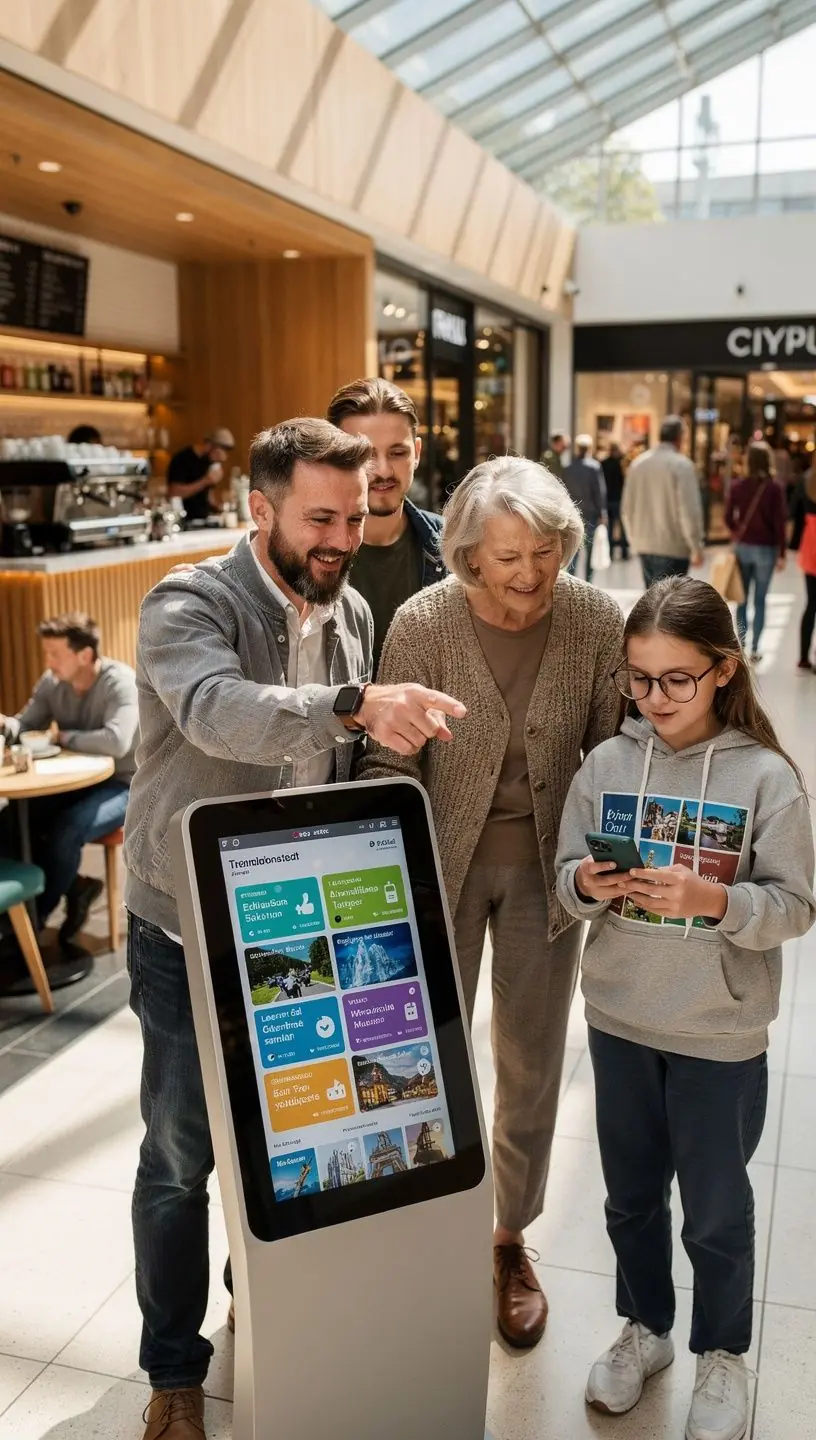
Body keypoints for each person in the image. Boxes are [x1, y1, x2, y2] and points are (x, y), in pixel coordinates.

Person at [125, 417, 466, 1440]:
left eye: (354, 519)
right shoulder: (188, 601)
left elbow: (345, 764)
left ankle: (260, 1302)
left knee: (283, 1141)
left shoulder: (351, 607)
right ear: (259, 508)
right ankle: (174, 1373)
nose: (341, 539)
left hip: (296, 931)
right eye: (320, 519)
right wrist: (354, 703)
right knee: (181, 1156)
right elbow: (218, 710)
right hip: (185, 931)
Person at [360, 456, 623, 1351]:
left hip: (549, 876)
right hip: (438, 870)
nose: (529, 574)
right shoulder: (424, 622)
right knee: (419, 1059)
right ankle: (423, 1229)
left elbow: (614, 754)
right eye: (508, 557)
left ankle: (510, 1239)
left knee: (531, 1059)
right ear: (469, 554)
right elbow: (388, 761)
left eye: (545, 552)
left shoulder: (594, 619)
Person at [555, 576, 815, 1440]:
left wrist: (716, 902)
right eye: (639, 678)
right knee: (630, 1198)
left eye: (677, 679)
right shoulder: (607, 763)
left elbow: (796, 906)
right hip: (620, 1020)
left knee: (715, 1211)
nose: (655, 698)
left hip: (718, 1033)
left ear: (723, 670)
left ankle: (724, 1352)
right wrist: (587, 884)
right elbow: (563, 878)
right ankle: (646, 1328)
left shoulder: (765, 777)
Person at [0, 613, 137, 944]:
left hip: (122, 784)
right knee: (10, 819)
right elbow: (27, 724)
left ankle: (33, 922)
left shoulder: (119, 683)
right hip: (75, 781)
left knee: (67, 830)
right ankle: (73, 887)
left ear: (85, 655)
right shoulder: (52, 683)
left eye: (55, 654)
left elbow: (116, 742)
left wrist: (62, 737)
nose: (48, 662)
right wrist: (6, 725)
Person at [327, 377, 446, 670]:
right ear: (333, 457)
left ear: (417, 453)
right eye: (365, 455)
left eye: (397, 452)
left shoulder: (453, 545)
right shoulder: (306, 548)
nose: (382, 470)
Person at [621, 416, 705, 587]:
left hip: (644, 545)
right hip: (673, 547)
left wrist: (634, 540)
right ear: (680, 437)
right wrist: (696, 546)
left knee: (652, 598)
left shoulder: (638, 464)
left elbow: (627, 509)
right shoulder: (682, 466)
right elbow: (688, 511)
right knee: (669, 601)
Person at [725, 440, 787, 662]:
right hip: (766, 550)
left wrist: (737, 532)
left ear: (748, 461)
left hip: (743, 548)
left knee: (741, 599)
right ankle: (755, 649)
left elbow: (727, 517)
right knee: (760, 600)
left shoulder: (737, 486)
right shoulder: (775, 488)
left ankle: (741, 647)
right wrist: (782, 553)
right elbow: (780, 524)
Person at [562, 434, 608, 584]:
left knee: (574, 548)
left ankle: (572, 580)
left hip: (572, 512)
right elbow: (599, 491)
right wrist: (602, 512)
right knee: (590, 549)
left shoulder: (568, 467)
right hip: (590, 513)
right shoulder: (594, 467)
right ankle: (588, 581)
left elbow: (564, 491)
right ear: (589, 448)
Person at [167, 427, 235, 523]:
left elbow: (208, 496)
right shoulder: (182, 459)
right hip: (185, 521)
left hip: (204, 520)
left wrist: (220, 509)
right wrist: (205, 481)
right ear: (209, 445)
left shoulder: (208, 462)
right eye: (221, 451)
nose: (224, 458)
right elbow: (174, 492)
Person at [790, 467, 816, 671]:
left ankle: (803, 657)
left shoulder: (807, 480)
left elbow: (794, 512)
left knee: (811, 604)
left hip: (811, 545)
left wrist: (793, 544)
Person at [602, 442, 628, 560]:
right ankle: (624, 552)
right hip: (619, 499)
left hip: (608, 499)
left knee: (610, 527)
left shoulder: (603, 463)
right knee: (622, 527)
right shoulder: (621, 463)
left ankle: (610, 552)